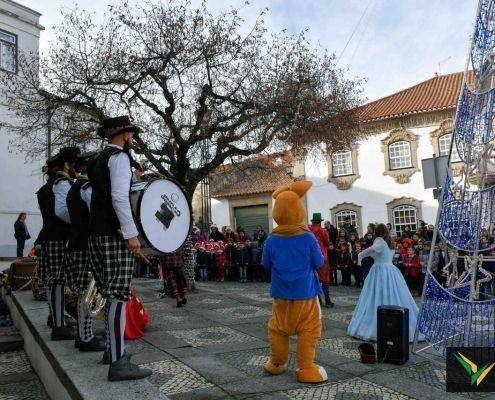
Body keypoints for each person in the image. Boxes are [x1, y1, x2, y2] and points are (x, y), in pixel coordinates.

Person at [87, 115, 151, 381]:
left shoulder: (97, 160)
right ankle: (117, 361)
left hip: (96, 233)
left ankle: (113, 351)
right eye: (131, 135)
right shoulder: (121, 158)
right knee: (118, 294)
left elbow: (103, 194)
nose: (132, 139)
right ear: (124, 136)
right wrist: (131, 233)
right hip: (115, 234)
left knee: (109, 292)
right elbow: (119, 197)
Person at [262, 181, 327, 383]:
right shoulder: (307, 238)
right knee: (308, 330)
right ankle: (307, 368)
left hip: (281, 293)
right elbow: (319, 262)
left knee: (278, 329)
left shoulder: (271, 239)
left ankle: (276, 363)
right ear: (299, 210)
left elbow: (265, 264)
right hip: (305, 293)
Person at [347, 223, 421, 342]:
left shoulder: (379, 241)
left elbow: (371, 250)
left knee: (375, 294)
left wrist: (360, 256)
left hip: (380, 270)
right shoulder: (389, 242)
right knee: (392, 293)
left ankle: (378, 324)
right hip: (390, 269)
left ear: (378, 232)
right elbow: (377, 252)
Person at [37, 147, 80, 341]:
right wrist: (80, 222)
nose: (77, 170)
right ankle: (59, 325)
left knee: (54, 281)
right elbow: (63, 211)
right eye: (75, 165)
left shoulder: (47, 187)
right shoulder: (63, 183)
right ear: (66, 165)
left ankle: (55, 317)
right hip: (58, 237)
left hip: (49, 235)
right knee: (58, 281)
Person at [66, 151, 106, 352]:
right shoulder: (86, 187)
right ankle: (86, 337)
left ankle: (84, 334)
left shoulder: (74, 188)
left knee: (84, 292)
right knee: (88, 293)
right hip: (85, 245)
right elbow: (96, 213)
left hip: (76, 243)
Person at [309, 213, 333, 307]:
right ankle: (327, 300)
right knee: (325, 280)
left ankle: (318, 300)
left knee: (315, 279)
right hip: (322, 256)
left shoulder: (309, 230)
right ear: (320, 221)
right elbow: (327, 242)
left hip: (311, 257)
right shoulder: (323, 231)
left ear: (313, 221)